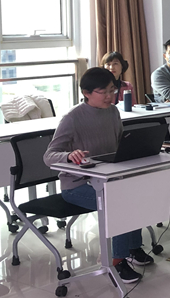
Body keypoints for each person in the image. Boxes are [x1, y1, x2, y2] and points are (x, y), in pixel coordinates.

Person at [43, 68, 153, 283]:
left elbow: (119, 143)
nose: (110, 96)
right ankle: (116, 261)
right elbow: (48, 156)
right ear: (86, 93)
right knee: (118, 204)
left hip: (108, 179)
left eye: (112, 90)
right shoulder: (72, 118)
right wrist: (68, 156)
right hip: (77, 186)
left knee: (135, 194)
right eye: (103, 92)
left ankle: (133, 248)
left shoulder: (113, 112)